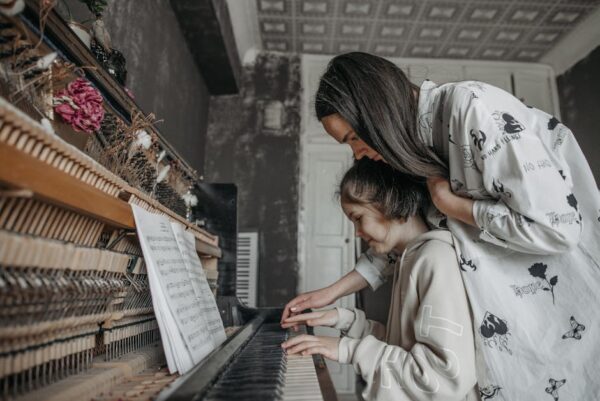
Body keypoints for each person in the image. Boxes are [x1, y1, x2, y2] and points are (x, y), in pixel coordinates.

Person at [282, 52, 600, 399]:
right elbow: (397, 237)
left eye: (354, 138)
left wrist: (457, 206)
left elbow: (558, 229)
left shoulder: (471, 107)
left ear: (374, 112)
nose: (357, 154)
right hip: (505, 328)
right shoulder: (409, 153)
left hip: (564, 317)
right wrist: (332, 293)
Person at [282, 159, 478, 401]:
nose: (357, 232)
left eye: (357, 217)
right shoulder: (410, 258)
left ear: (389, 202)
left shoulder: (435, 259)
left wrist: (347, 349)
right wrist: (342, 319)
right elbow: (402, 346)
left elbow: (442, 378)